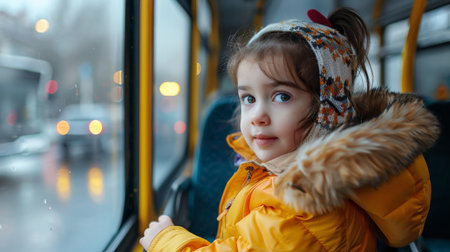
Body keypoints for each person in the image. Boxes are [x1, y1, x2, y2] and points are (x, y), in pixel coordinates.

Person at [140, 8, 440, 251]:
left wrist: (166, 242)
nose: (257, 115)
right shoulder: (281, 169)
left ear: (327, 109)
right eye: (248, 98)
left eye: (281, 96)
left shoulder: (304, 204)